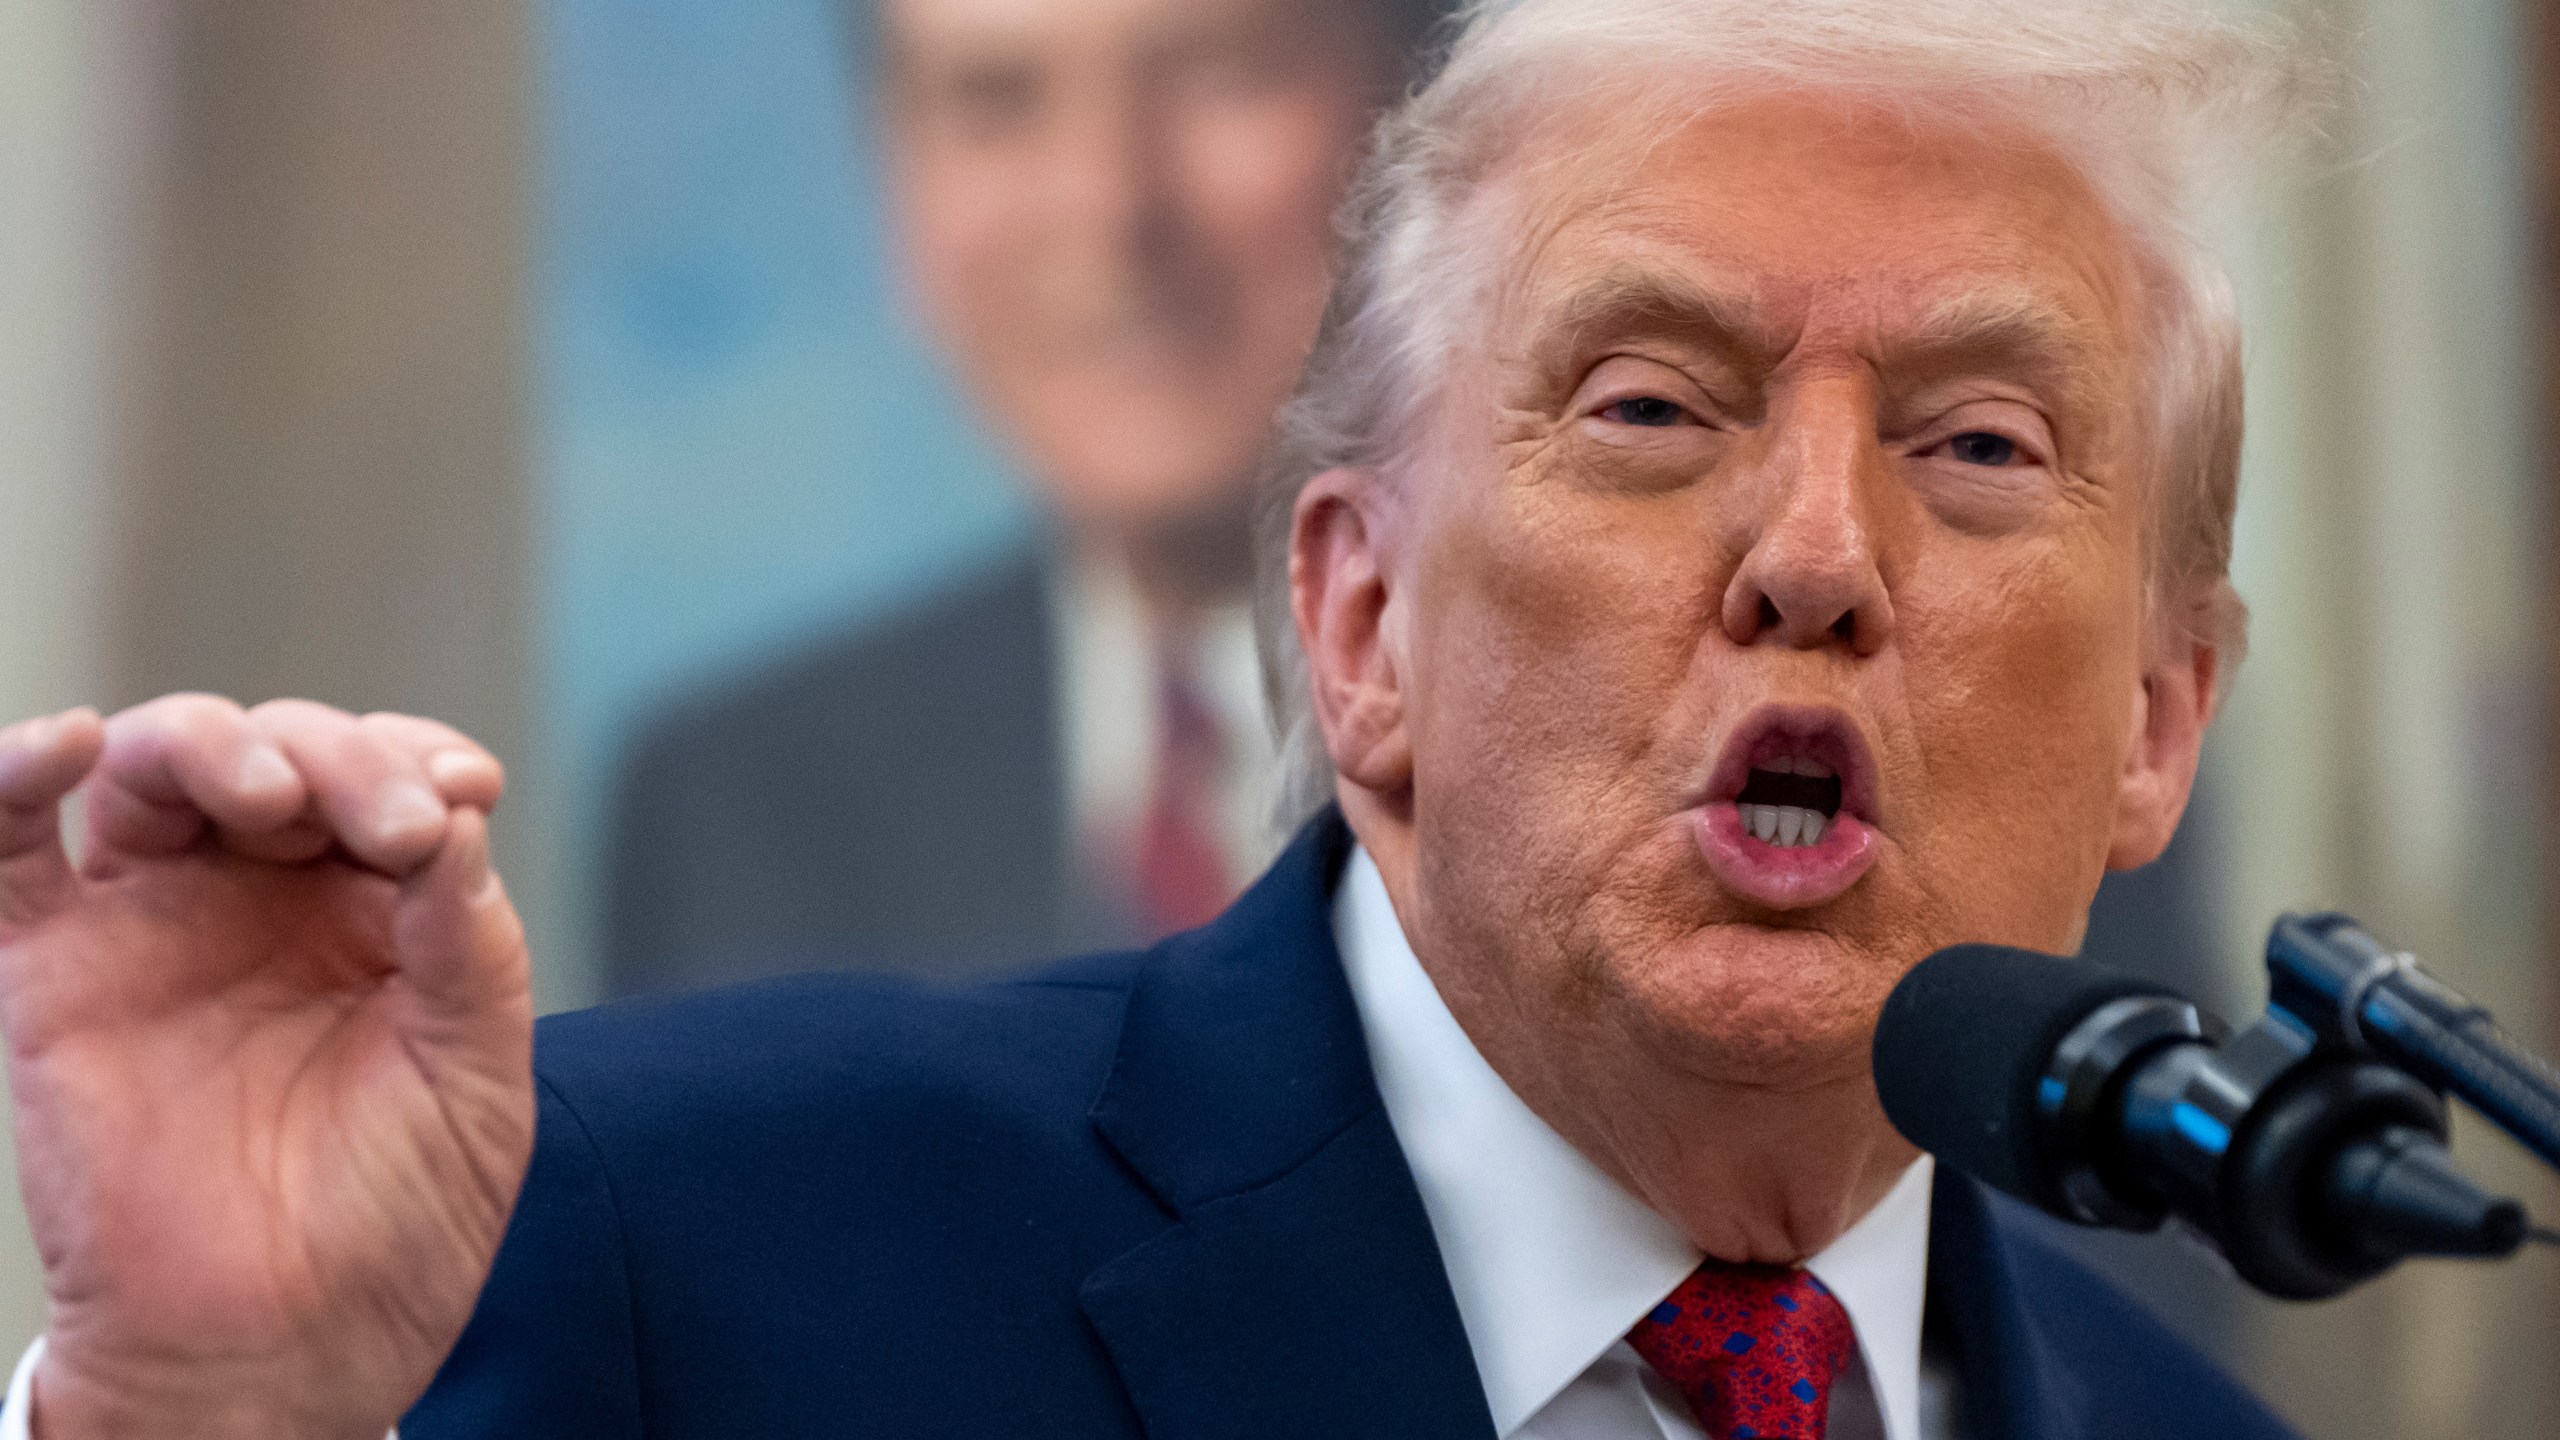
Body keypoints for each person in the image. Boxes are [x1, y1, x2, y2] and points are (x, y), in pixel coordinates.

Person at [0, 1, 2322, 1436]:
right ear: (1356, 626)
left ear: (2153, 718)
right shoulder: (671, 1251)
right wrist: (204, 1423)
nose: (1812, 553)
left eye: (1976, 446)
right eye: (1647, 405)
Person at [601, 0, 1446, 995]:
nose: (1108, 204)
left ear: (1433, 112)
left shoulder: (1590, 746)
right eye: (994, 102)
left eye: (1219, 76)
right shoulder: (735, 811)